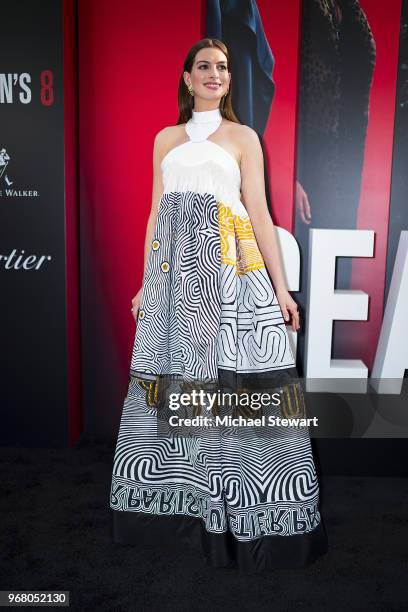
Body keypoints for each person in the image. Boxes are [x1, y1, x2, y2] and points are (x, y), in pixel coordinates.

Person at [110, 38, 328, 573]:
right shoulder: (165, 139)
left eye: (223, 68)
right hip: (173, 288)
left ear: (230, 80)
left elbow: (258, 211)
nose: (214, 74)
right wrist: (146, 284)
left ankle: (247, 518)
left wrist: (281, 289)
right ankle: (178, 510)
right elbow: (154, 217)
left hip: (231, 281)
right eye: (204, 66)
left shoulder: (243, 138)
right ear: (187, 78)